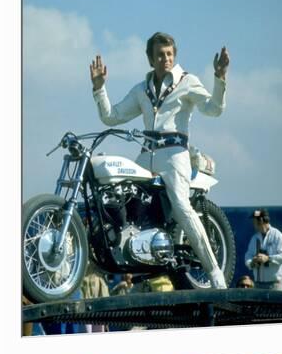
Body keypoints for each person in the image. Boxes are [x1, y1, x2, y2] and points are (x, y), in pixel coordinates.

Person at [90, 31, 230, 289]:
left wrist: (220, 78)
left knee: (180, 206)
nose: (165, 58)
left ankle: (214, 273)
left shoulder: (187, 82)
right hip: (146, 154)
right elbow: (112, 116)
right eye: (159, 55)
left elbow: (213, 109)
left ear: (174, 56)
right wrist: (99, 88)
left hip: (175, 155)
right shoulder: (141, 89)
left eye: (169, 54)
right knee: (123, 198)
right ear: (150, 58)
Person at [244, 208, 282, 290]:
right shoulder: (255, 238)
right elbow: (248, 255)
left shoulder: (277, 236)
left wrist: (268, 259)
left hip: (275, 284)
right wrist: (252, 262)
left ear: (260, 221)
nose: (253, 224)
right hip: (258, 284)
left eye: (254, 221)